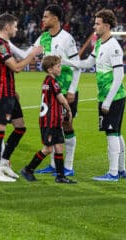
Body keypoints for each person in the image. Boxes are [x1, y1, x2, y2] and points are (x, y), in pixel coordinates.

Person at [63, 9, 126, 181]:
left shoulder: (113, 46)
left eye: (97, 23)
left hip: (113, 97)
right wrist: (67, 61)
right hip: (107, 96)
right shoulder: (99, 43)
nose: (94, 26)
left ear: (106, 26)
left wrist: (107, 100)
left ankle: (113, 173)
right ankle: (121, 170)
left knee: (111, 132)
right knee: (117, 132)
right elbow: (88, 63)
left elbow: (119, 75)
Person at [0, 13, 42, 182]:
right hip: (1, 93)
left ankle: (4, 163)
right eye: (15, 26)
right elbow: (16, 67)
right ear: (7, 27)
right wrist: (32, 55)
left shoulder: (4, 44)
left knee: (20, 127)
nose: (17, 29)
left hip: (10, 92)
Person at [33, 5, 81, 177]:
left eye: (46, 17)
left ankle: (68, 166)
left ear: (55, 19)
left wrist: (73, 90)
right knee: (54, 126)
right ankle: (54, 165)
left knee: (67, 125)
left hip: (66, 90)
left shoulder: (67, 39)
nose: (43, 20)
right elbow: (28, 53)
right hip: (51, 92)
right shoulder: (43, 37)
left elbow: (78, 66)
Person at [20, 55, 77, 184]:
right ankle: (28, 169)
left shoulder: (48, 81)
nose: (60, 68)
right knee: (48, 148)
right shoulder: (52, 81)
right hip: (49, 120)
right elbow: (61, 98)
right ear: (50, 69)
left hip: (53, 119)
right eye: (58, 66)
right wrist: (68, 109)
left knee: (58, 147)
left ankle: (60, 176)